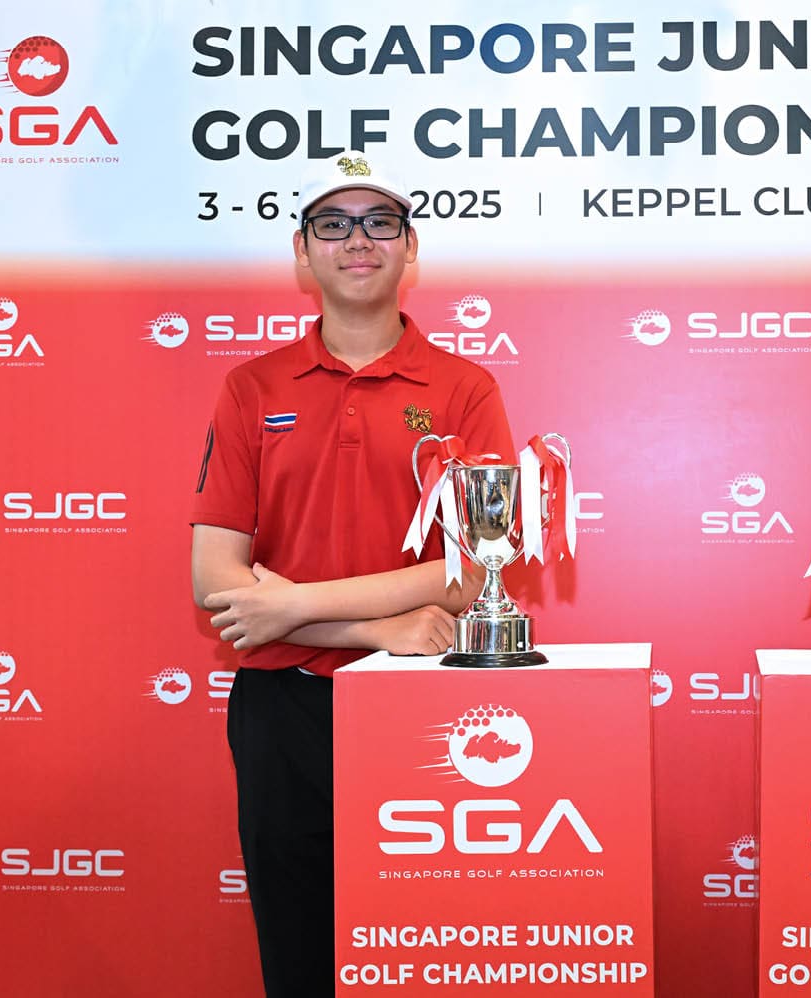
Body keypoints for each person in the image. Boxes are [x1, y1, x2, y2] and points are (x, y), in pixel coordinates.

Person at [189, 150, 514, 997]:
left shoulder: (464, 388)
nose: (357, 240)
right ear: (303, 254)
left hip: (423, 705)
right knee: (299, 956)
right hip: (280, 706)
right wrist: (369, 628)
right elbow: (217, 583)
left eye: (380, 222)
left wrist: (291, 605)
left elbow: (473, 569)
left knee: (421, 958)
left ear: (412, 250)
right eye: (332, 224)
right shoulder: (252, 386)